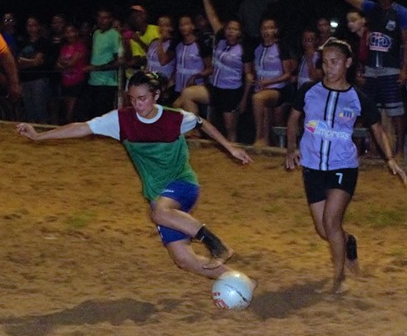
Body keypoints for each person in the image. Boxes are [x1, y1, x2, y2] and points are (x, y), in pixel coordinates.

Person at [16, 70, 253, 281]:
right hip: (157, 193)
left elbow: (203, 123)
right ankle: (238, 281)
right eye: (132, 98)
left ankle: (216, 245)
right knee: (184, 260)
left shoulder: (173, 118)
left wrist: (230, 147)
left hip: (183, 184)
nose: (137, 104)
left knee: (159, 213)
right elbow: (81, 127)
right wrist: (40, 136)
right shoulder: (121, 120)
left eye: (142, 98)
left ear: (156, 96)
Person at [284, 38, 407, 295]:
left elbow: (378, 129)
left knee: (331, 221)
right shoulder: (308, 90)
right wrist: (291, 147)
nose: (329, 68)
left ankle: (338, 278)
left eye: (335, 62)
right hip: (313, 166)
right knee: (324, 230)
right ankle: (348, 241)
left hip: (343, 166)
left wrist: (390, 159)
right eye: (325, 63)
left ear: (348, 63)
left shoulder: (357, 97)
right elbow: (293, 119)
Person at [327, 0, 407, 160]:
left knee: (396, 112)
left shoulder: (401, 12)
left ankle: (399, 150)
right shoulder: (371, 8)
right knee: (371, 111)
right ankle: (374, 149)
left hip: (390, 67)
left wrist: (404, 69)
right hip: (371, 69)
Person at [177, 0, 253, 143]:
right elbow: (211, 14)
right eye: (229, 28)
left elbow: (248, 76)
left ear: (240, 32)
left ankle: (235, 159)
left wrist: (244, 99)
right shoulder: (220, 38)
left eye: (235, 29)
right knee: (187, 94)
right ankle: (195, 129)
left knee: (230, 131)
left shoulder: (244, 48)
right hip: (214, 88)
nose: (231, 31)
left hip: (231, 92)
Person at [249, 16, 295, 146]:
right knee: (267, 120)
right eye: (264, 28)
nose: (267, 31)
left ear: (275, 30)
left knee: (258, 99)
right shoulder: (257, 48)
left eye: (270, 28)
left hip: (278, 88)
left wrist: (268, 82)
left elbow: (287, 74)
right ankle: (267, 142)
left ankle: (259, 137)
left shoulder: (281, 47)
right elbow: (255, 69)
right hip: (262, 88)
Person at [76, 8, 122, 120]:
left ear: (110, 19)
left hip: (107, 83)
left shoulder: (114, 35)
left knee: (102, 115)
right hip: (93, 81)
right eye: (100, 17)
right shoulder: (96, 33)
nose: (102, 20)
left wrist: (95, 68)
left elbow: (118, 62)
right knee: (88, 114)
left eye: (105, 18)